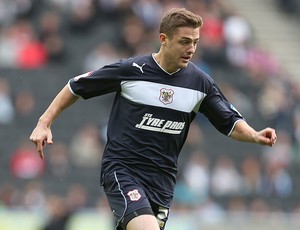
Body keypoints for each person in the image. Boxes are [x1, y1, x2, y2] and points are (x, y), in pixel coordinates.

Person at [29, 8, 277, 230]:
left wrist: (255, 135)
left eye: (195, 42)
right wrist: (44, 122)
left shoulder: (200, 83)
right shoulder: (132, 70)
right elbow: (76, 86)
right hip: (123, 170)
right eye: (184, 42)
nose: (191, 49)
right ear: (163, 39)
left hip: (162, 180)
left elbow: (230, 122)